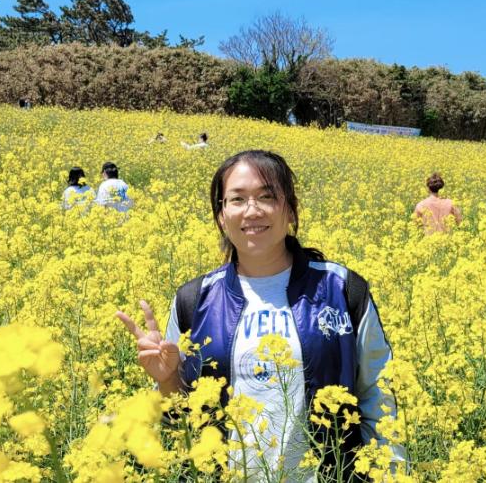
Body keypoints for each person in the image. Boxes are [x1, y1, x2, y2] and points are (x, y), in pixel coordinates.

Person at [115, 150, 402, 480]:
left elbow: (380, 401)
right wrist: (167, 379)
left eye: (267, 197)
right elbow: (178, 420)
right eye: (237, 199)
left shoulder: (342, 290)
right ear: (221, 216)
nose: (252, 211)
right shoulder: (193, 300)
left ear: (290, 210)